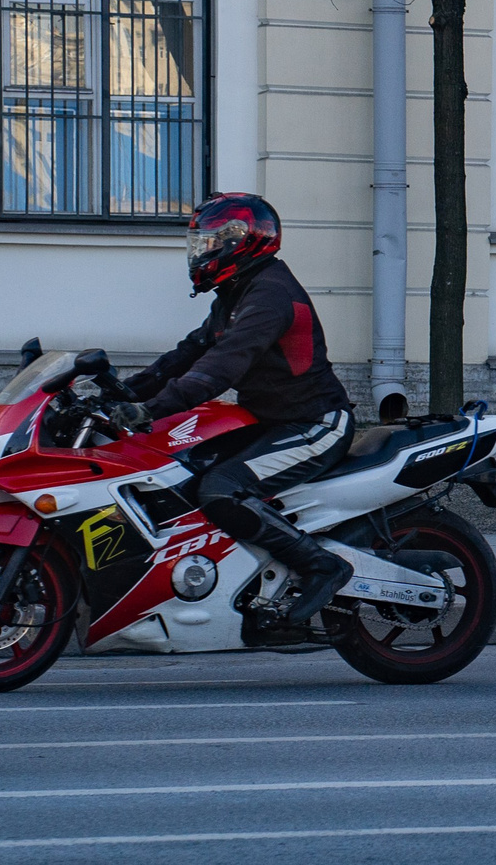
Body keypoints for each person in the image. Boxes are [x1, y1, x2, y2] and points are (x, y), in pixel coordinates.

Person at [120, 193, 356, 624]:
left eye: (210, 242)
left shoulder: (271, 295)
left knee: (220, 489)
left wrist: (150, 410)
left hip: (315, 424)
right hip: (271, 421)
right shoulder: (236, 292)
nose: (202, 252)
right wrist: (120, 393)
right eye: (200, 244)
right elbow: (187, 354)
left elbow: (220, 367)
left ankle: (323, 566)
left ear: (243, 242)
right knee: (183, 471)